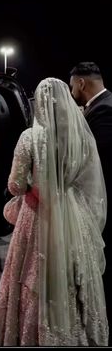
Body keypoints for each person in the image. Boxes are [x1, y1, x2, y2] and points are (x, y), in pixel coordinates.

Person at [0, 77, 108, 346]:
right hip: (74, 210)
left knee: (33, 276)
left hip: (37, 213)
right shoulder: (79, 135)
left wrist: (32, 183)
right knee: (71, 276)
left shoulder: (30, 137)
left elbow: (16, 185)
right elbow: (88, 178)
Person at [70, 61, 112, 343]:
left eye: (72, 84)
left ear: (82, 83)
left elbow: (99, 162)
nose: (71, 89)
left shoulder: (105, 110)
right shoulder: (102, 105)